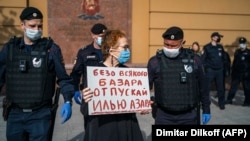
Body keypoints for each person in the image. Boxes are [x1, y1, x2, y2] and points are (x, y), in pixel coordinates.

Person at [0, 7, 74, 141]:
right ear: (22, 25)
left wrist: (68, 100)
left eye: (40, 26)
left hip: (40, 115)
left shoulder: (51, 49)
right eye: (32, 26)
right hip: (14, 114)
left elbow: (63, 79)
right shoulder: (10, 49)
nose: (37, 29)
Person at [80, 29, 147, 141]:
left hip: (127, 129)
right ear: (111, 49)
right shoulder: (96, 74)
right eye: (124, 47)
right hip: (104, 130)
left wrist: (142, 105)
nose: (127, 51)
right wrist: (86, 100)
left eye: (127, 47)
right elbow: (85, 111)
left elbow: (133, 102)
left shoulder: (128, 73)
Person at [147, 26, 211, 125]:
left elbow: (203, 87)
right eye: (166, 44)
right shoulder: (155, 62)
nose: (169, 48)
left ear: (182, 43)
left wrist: (206, 109)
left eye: (173, 46)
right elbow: (144, 87)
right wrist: (142, 103)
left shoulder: (194, 60)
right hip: (163, 116)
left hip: (188, 116)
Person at [70, 23, 107, 129]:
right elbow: (76, 73)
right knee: (91, 128)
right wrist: (75, 90)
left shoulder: (111, 51)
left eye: (104, 36)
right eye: (100, 36)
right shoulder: (84, 52)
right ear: (93, 35)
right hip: (90, 96)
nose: (102, 38)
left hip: (107, 96)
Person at [201, 32, 226, 110]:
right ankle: (205, 103)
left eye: (218, 37)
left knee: (220, 88)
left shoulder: (220, 47)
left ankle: (221, 103)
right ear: (212, 37)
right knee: (206, 88)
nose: (218, 38)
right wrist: (207, 68)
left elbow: (224, 58)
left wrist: (223, 66)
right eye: (216, 36)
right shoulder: (207, 47)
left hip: (219, 71)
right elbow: (203, 59)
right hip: (210, 70)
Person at [225, 37, 250, 106]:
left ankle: (247, 102)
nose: (242, 44)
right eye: (241, 43)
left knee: (247, 88)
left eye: (243, 43)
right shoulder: (237, 52)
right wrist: (232, 71)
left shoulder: (249, 52)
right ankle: (229, 100)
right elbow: (235, 62)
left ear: (245, 44)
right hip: (237, 73)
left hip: (246, 74)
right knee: (233, 87)